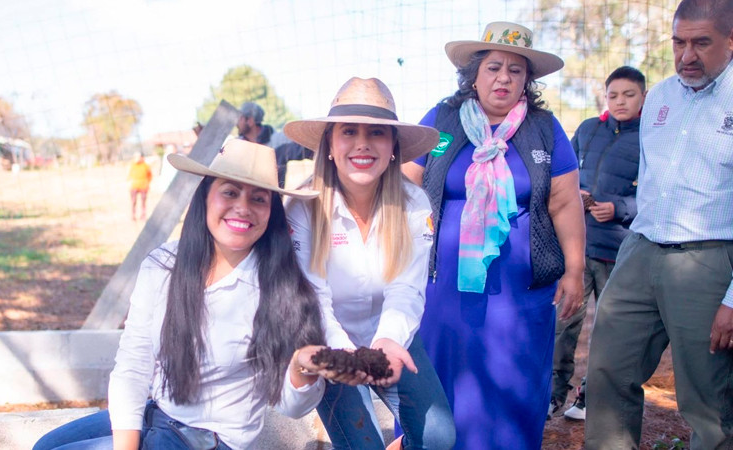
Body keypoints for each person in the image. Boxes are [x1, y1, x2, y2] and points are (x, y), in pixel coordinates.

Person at [33, 140, 331, 450]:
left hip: (212, 442)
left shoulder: (280, 287)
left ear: (271, 213)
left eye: (258, 199)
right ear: (205, 196)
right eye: (230, 192)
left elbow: (290, 406)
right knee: (46, 446)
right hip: (160, 415)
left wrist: (302, 369)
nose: (243, 207)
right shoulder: (163, 264)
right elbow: (133, 364)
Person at [402, 21, 585, 449]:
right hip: (442, 288)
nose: (504, 78)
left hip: (520, 294)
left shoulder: (544, 128)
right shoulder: (442, 119)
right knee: (440, 379)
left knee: (513, 381)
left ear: (527, 81)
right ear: (474, 75)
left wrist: (575, 269)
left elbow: (564, 202)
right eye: (494, 67)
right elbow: (405, 183)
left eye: (516, 70)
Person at [585, 1, 733, 448]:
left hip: (709, 260)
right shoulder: (661, 98)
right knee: (608, 369)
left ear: (730, 41)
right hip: (640, 250)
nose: (687, 55)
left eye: (701, 43)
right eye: (678, 42)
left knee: (708, 397)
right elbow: (649, 179)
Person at [283, 77, 456, 450]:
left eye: (376, 132)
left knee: (438, 438)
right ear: (330, 145)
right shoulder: (301, 208)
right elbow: (311, 296)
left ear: (393, 146)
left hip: (390, 333)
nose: (362, 143)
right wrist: (342, 354)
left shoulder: (414, 205)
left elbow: (406, 288)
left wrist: (388, 341)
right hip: (328, 342)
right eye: (349, 131)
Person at [550, 66, 646, 421]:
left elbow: (658, 193)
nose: (620, 101)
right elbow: (564, 174)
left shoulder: (651, 137)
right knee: (564, 321)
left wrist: (619, 208)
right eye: (613, 95)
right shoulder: (589, 129)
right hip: (579, 247)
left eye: (629, 95)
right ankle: (552, 396)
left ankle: (590, 398)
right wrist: (575, 195)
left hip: (619, 251)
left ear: (644, 98)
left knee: (608, 328)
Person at [127, 152, 152, 221]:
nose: (137, 158)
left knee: (143, 202)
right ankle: (133, 215)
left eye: (138, 157)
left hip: (143, 186)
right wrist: (129, 182)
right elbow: (128, 175)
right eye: (135, 157)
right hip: (134, 186)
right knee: (133, 201)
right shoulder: (132, 165)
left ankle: (143, 215)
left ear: (142, 157)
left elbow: (150, 175)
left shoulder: (146, 165)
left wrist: (147, 183)